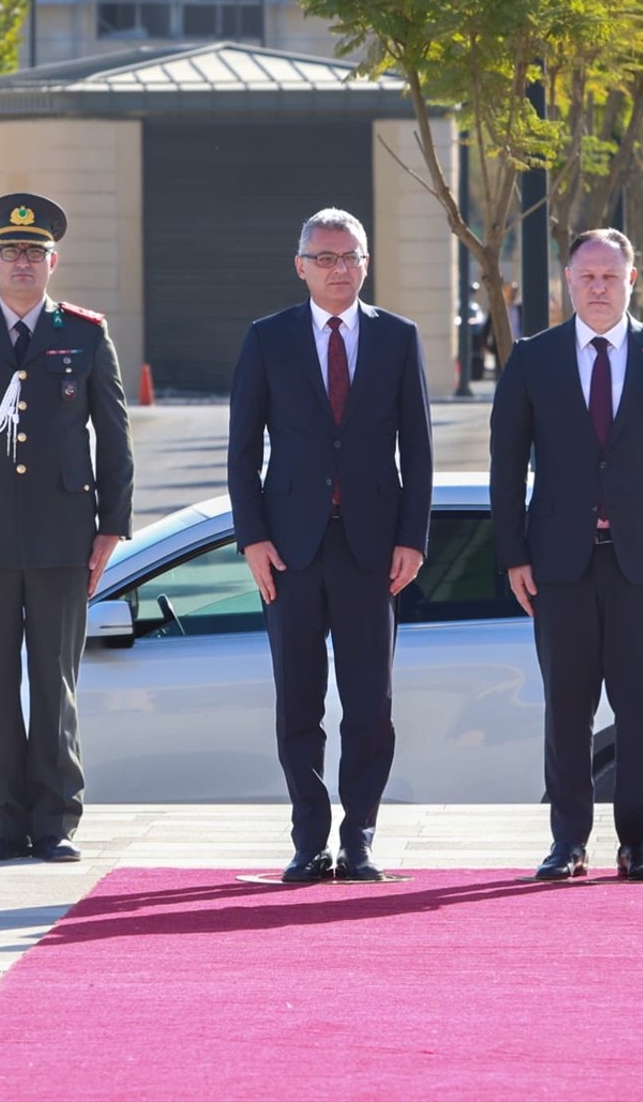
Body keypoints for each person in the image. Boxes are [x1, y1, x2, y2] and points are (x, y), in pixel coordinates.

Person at [489, 228, 643, 883]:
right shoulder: (533, 359)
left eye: (610, 276)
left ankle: (638, 843)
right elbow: (506, 465)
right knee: (566, 710)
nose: (598, 287)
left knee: (640, 711)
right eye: (586, 276)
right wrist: (513, 554)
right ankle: (568, 842)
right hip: (558, 565)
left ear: (632, 280)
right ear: (567, 280)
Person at [0, 192, 134, 864]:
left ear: (52, 261)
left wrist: (112, 525)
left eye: (34, 252)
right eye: (11, 251)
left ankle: (55, 819)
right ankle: (4, 821)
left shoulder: (85, 333)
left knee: (54, 681)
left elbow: (114, 436)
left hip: (62, 535)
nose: (22, 262)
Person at [228, 207, 433, 884]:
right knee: (299, 704)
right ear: (301, 266)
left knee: (370, 705)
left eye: (350, 256)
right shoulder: (267, 338)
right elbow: (241, 449)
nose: (338, 268)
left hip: (372, 550)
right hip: (289, 551)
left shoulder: (398, 338)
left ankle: (360, 838)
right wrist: (253, 539)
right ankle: (309, 839)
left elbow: (419, 449)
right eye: (325, 257)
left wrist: (413, 538)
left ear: (366, 264)